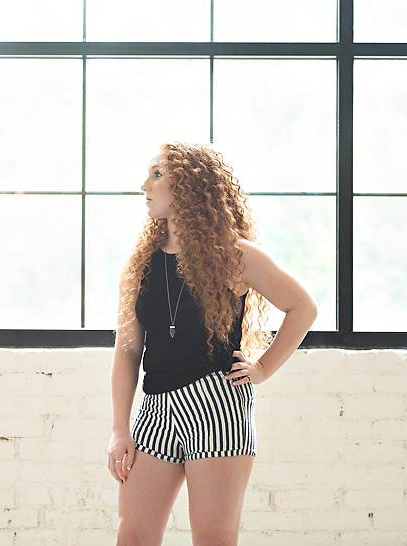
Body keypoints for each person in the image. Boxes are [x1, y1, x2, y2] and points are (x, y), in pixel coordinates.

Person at [107, 141, 316, 545]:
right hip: (155, 412)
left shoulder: (235, 256)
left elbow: (302, 308)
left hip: (216, 406)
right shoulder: (141, 262)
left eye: (156, 175)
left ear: (188, 185)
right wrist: (120, 429)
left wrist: (263, 368)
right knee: (132, 535)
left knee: (213, 538)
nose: (143, 185)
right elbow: (128, 350)